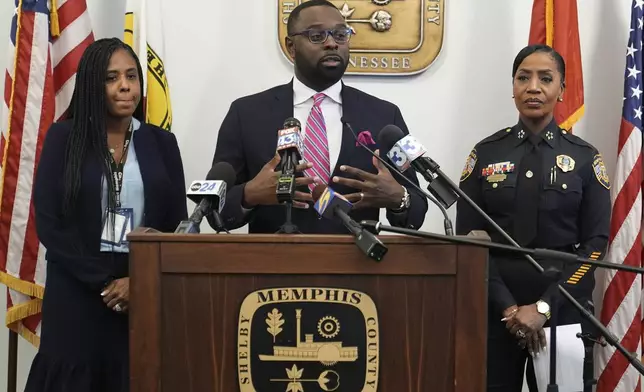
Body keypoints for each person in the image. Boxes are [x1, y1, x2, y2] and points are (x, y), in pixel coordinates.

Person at [25, 38, 187, 392]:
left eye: (132, 76)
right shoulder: (63, 138)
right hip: (75, 292)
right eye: (112, 77)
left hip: (143, 292)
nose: (125, 86)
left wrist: (138, 281)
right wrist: (105, 284)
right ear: (91, 84)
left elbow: (176, 223)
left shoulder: (161, 142)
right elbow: (50, 224)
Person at [456, 44, 610, 391]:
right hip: (495, 308)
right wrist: (509, 308)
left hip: (564, 305)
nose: (533, 87)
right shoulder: (485, 153)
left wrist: (543, 307)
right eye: (523, 78)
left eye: (545, 78)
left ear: (562, 89)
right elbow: (469, 238)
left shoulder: (585, 158)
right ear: (513, 87)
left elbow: (596, 244)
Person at [212, 0, 427, 233]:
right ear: (291, 47)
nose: (332, 43)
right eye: (317, 36)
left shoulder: (385, 116)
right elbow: (214, 212)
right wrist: (249, 195)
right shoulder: (246, 114)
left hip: (358, 263)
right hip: (273, 264)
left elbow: (417, 207)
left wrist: (399, 199)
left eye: (340, 35)